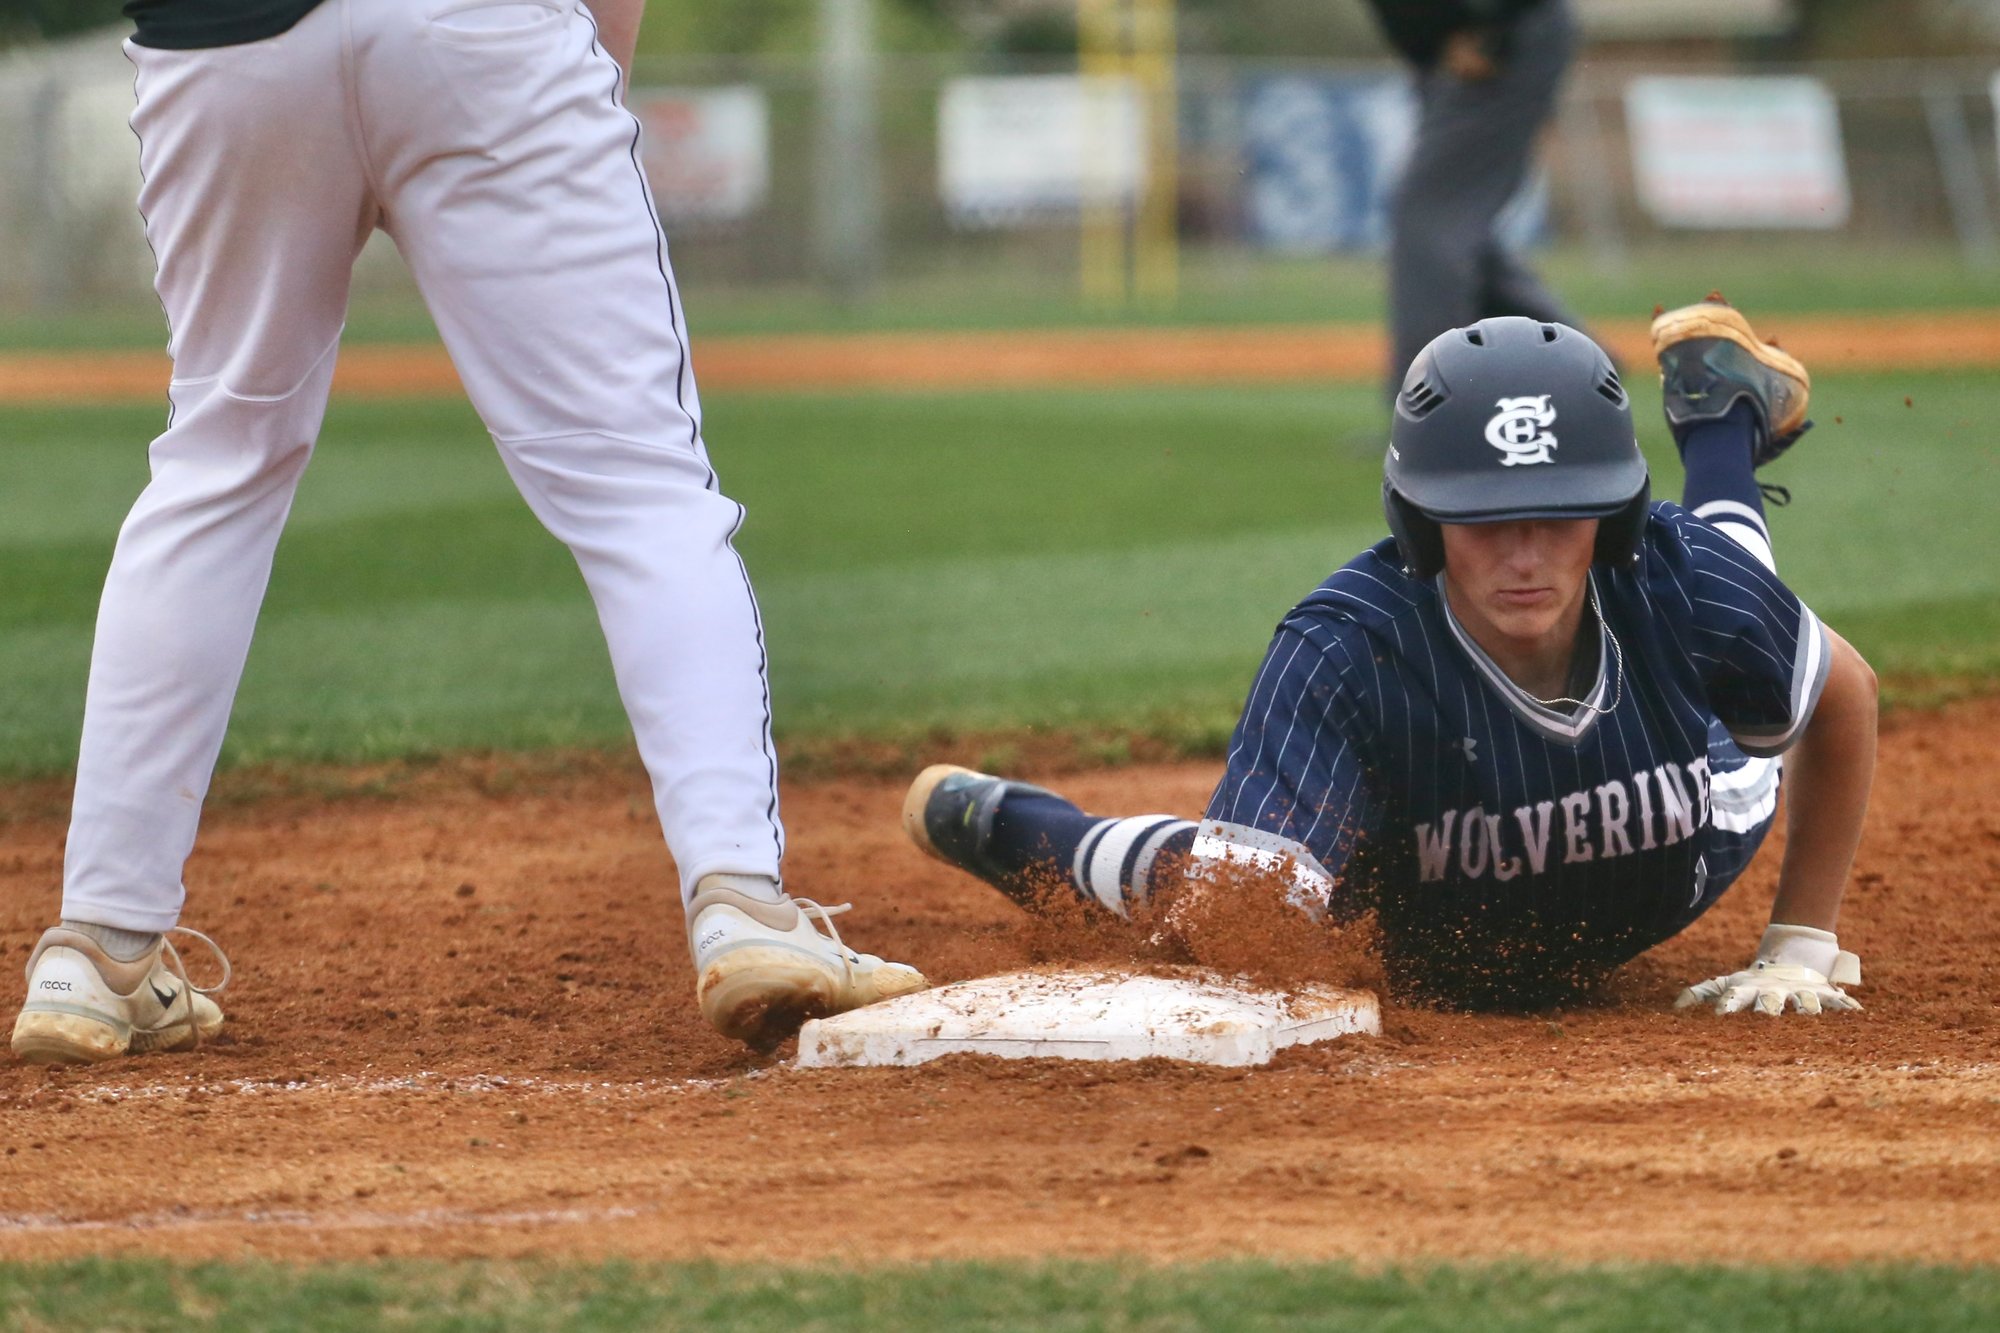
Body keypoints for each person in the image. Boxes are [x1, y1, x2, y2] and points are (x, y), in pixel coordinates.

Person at [10, 0, 923, 1065]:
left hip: (221, 40)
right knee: (636, 485)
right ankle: (737, 900)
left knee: (215, 463)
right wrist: (585, 72)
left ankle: (98, 948)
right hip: (474, 32)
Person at [904, 300, 1876, 1016]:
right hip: (1411, 919)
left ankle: (1716, 427)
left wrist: (1797, 942)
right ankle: (1025, 826)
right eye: (1485, 521)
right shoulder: (1346, 648)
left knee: (1727, 597)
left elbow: (1840, 694)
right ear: (1420, 521)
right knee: (1217, 898)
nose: (1524, 553)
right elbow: (1253, 920)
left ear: (1610, 513)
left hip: (1689, 835)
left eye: (1558, 513)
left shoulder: (1661, 564)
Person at [1370, 0, 1584, 393]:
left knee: (1429, 218)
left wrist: (1493, 36)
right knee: (1449, 223)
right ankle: (1573, 356)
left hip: (1493, 37)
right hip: (1460, 43)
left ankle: (1433, 401)